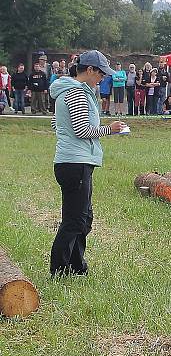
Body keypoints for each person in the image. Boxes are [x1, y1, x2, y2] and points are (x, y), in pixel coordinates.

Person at [49, 50, 125, 276]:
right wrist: (109, 130)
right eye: (101, 73)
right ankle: (60, 270)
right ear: (90, 70)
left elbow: (57, 124)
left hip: (73, 161)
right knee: (75, 221)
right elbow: (82, 130)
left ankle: (76, 266)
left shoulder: (67, 92)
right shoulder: (76, 94)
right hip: (75, 162)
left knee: (83, 218)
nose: (103, 78)